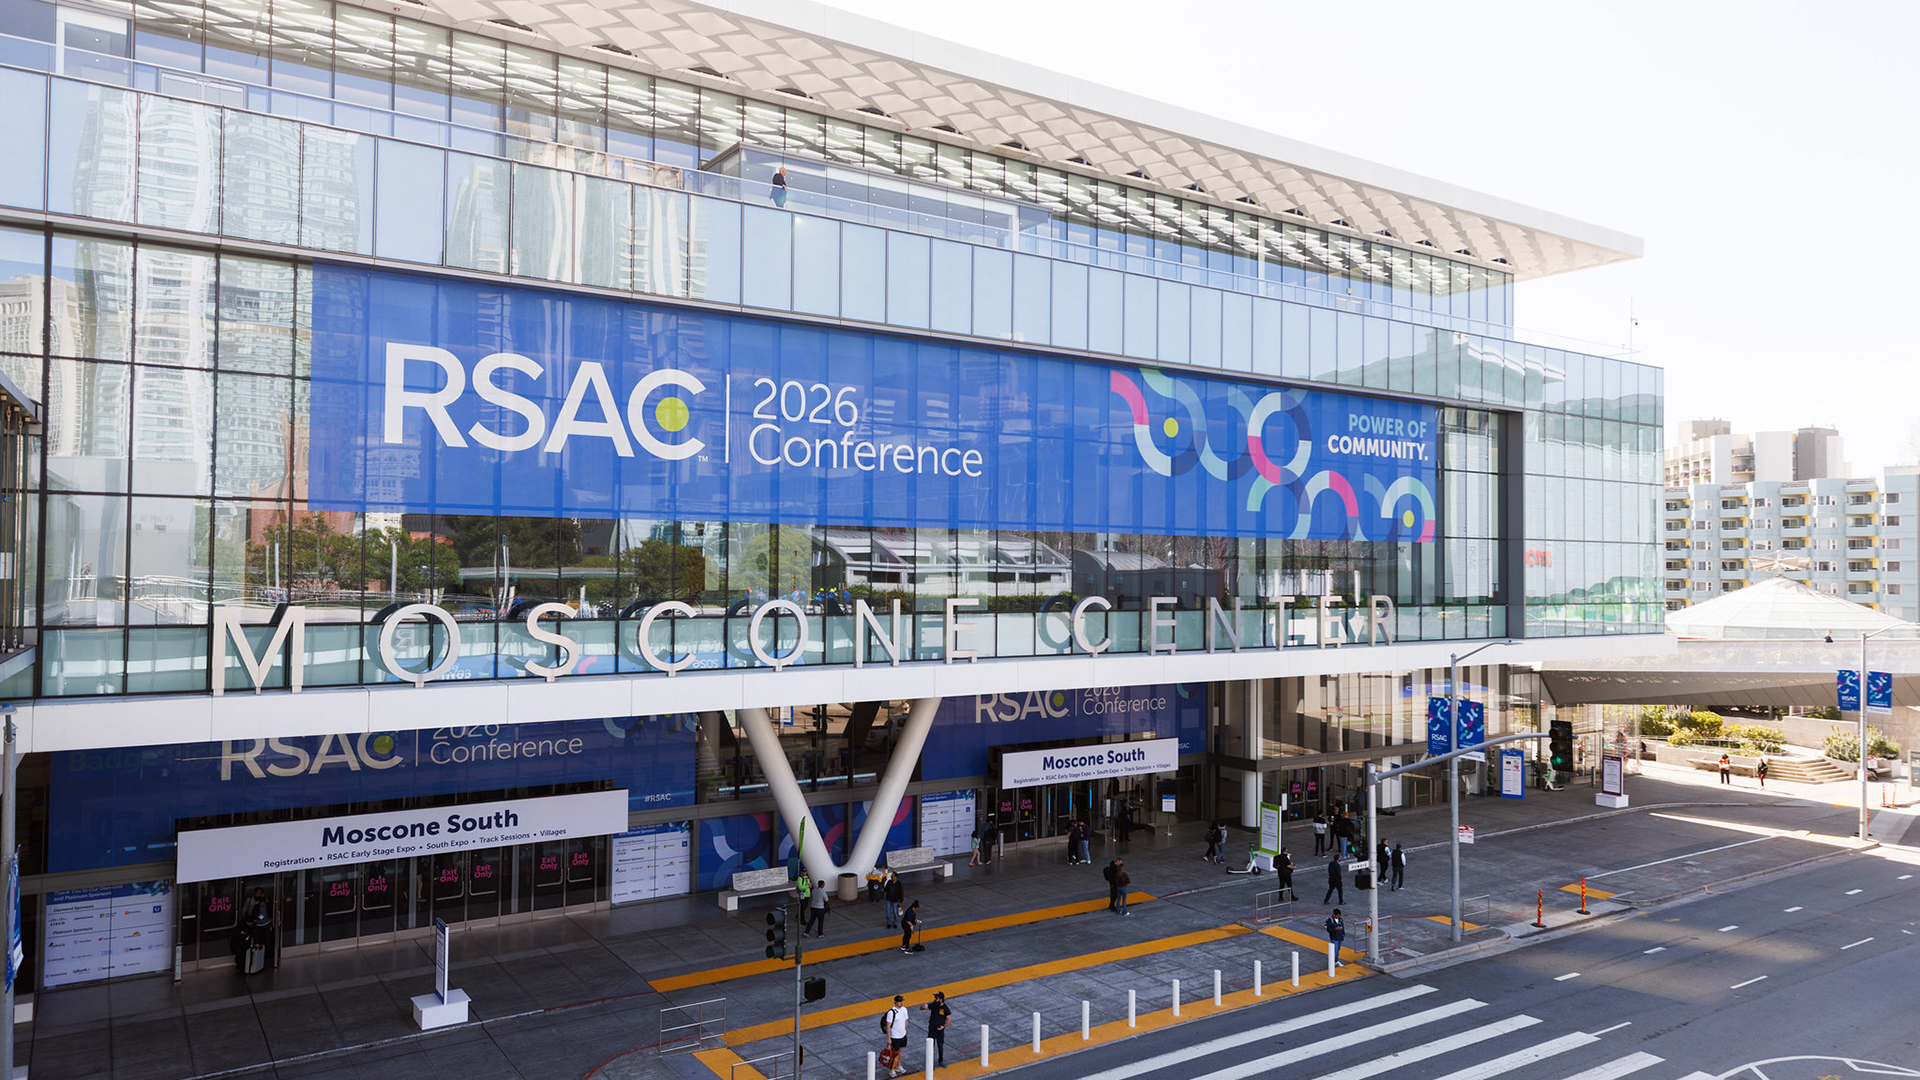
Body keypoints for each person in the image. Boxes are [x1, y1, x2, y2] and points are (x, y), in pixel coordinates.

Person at [920, 990, 951, 1068]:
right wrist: (923, 1007)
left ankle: (940, 1061)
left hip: (940, 1030)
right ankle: (930, 1063)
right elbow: (923, 1007)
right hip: (932, 1029)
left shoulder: (945, 1008)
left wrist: (943, 1026)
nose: (935, 999)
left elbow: (949, 1019)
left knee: (940, 1047)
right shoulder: (934, 1005)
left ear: (941, 999)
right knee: (931, 1047)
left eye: (936, 998)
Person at [882, 995, 911, 1077]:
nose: (901, 1003)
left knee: (900, 1052)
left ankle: (898, 1066)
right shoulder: (891, 1012)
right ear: (895, 1002)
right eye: (900, 1001)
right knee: (893, 1054)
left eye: (902, 1001)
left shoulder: (904, 1009)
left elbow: (906, 1020)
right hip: (894, 1036)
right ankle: (892, 1069)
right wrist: (889, 1038)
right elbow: (888, 1026)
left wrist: (905, 1030)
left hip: (902, 1035)